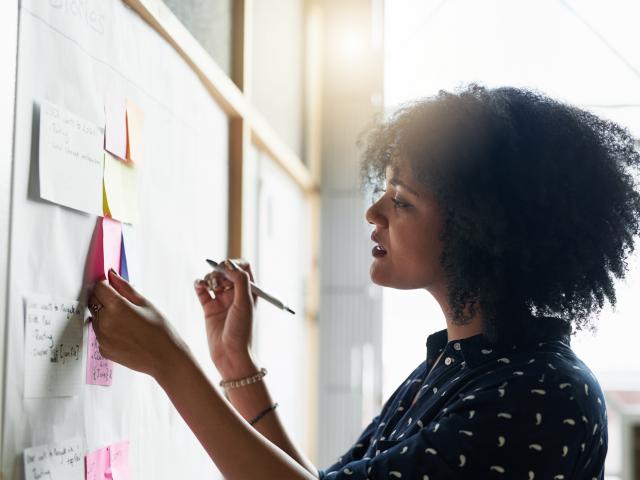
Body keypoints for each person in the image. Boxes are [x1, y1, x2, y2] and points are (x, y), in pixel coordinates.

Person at [87, 84, 640, 479]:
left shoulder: (541, 396)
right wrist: (236, 365)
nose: (374, 212)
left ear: (481, 232)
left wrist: (169, 362)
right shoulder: (459, 368)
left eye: (401, 200)